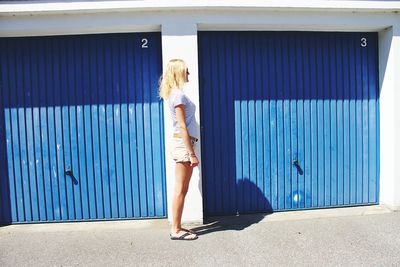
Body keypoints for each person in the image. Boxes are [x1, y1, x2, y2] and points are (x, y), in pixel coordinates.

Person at [159, 59, 199, 241]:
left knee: (182, 188)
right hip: (183, 145)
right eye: (186, 71)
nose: (188, 74)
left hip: (183, 143)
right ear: (178, 73)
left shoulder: (176, 95)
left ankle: (178, 225)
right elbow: (182, 126)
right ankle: (175, 230)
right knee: (181, 189)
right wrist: (191, 153)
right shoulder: (178, 96)